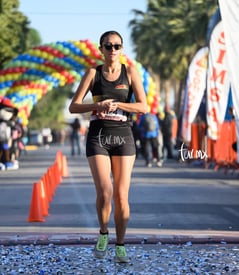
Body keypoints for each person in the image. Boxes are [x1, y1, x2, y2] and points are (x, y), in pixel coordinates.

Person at [68, 30, 147, 263]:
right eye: (108, 46)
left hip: (123, 135)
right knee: (105, 192)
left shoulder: (130, 73)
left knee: (121, 196)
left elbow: (143, 107)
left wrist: (119, 105)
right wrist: (98, 106)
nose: (113, 50)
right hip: (98, 135)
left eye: (117, 46)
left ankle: (120, 245)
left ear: (122, 49)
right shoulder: (93, 73)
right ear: (101, 49)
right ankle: (103, 232)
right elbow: (74, 106)